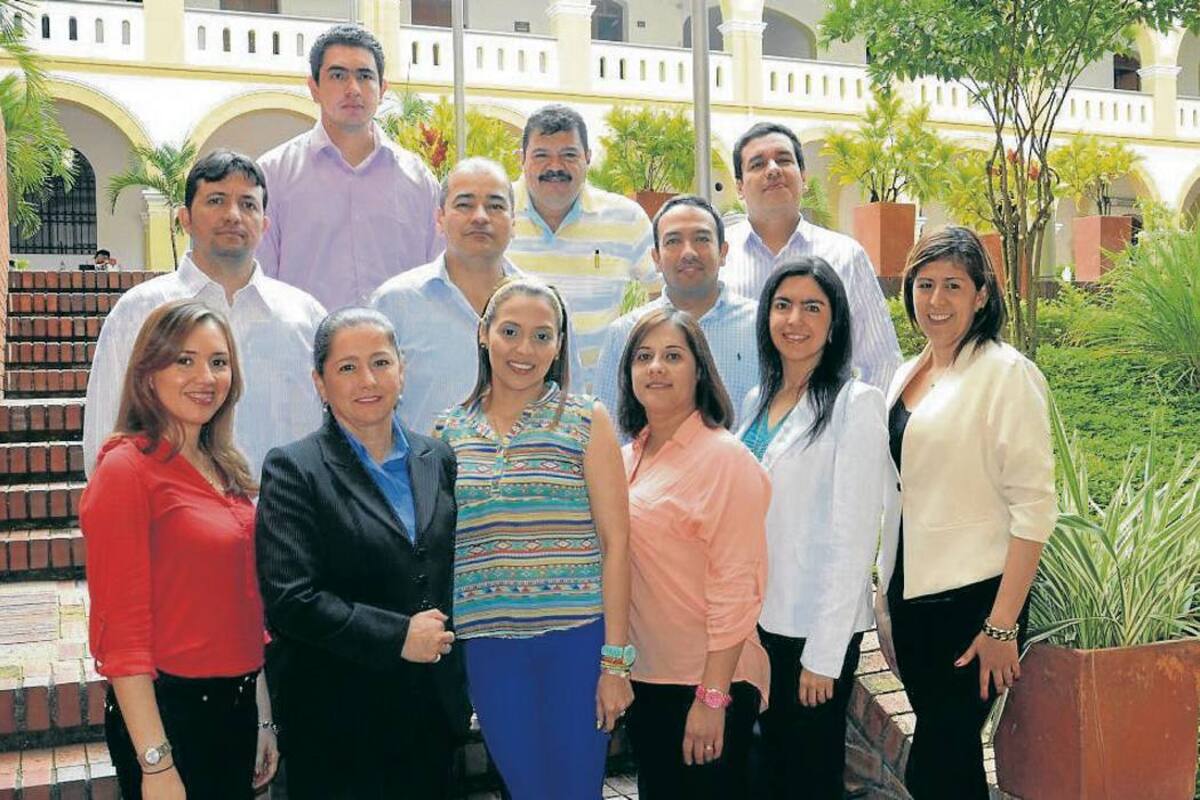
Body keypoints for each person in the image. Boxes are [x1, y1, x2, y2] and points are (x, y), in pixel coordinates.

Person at [255, 308, 471, 799]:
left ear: (402, 370)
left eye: (380, 362)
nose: (367, 380)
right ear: (320, 381)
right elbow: (290, 600)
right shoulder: (294, 469)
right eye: (347, 367)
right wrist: (398, 635)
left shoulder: (436, 458)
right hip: (337, 719)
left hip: (431, 714)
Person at [434, 278, 633, 799]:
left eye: (543, 336)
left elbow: (617, 546)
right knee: (526, 790)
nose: (525, 349)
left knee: (574, 790)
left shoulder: (586, 419)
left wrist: (615, 663)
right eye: (511, 331)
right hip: (491, 648)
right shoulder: (448, 433)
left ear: (559, 345)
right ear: (484, 334)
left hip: (576, 642)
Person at [875, 226, 1056, 799]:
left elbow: (1034, 509)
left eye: (953, 285)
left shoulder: (1006, 373)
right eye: (923, 285)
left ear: (982, 294)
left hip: (975, 603)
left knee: (937, 761)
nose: (936, 300)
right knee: (948, 761)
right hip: (912, 595)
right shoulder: (908, 372)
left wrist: (1002, 625)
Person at [80, 300, 278, 800]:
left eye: (218, 361)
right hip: (170, 718)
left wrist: (262, 719)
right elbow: (121, 633)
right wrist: (155, 762)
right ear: (148, 373)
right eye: (183, 360)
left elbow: (245, 608)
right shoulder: (127, 471)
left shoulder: (224, 470)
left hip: (234, 710)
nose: (205, 376)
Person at [737, 257, 895, 799]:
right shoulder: (757, 401)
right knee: (766, 772)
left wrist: (824, 657)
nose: (794, 319)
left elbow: (853, 538)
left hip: (810, 630)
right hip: (755, 621)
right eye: (782, 305)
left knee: (808, 777)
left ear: (835, 323)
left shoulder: (856, 403)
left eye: (812, 306)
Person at [84, 149, 326, 481]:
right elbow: (105, 434)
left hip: (292, 520)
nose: (233, 215)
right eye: (215, 200)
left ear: (265, 224)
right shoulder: (139, 311)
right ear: (185, 218)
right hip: (176, 522)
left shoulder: (305, 316)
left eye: (248, 204)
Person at [617, 307, 771, 799]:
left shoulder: (724, 459)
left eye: (672, 356)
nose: (656, 367)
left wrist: (711, 698)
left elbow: (737, 587)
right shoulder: (626, 458)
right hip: (648, 679)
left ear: (700, 370)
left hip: (707, 682)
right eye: (644, 357)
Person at [257, 25, 441, 310]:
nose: (353, 89)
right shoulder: (274, 175)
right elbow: (260, 278)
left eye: (365, 76)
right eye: (338, 75)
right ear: (314, 88)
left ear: (382, 89)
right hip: (307, 349)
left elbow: (437, 276)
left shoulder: (418, 180)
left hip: (399, 349)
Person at [723, 121, 901, 391]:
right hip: (732, 428)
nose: (772, 170)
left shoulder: (845, 256)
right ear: (739, 187)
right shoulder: (717, 258)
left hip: (825, 427)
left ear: (803, 177)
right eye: (757, 164)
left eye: (783, 160)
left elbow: (881, 361)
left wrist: (851, 424)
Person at [370, 158, 525, 434]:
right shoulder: (395, 304)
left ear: (514, 221)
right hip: (420, 476)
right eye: (464, 204)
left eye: (495, 206)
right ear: (439, 219)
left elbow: (565, 402)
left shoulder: (543, 306)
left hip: (528, 474)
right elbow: (367, 408)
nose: (480, 216)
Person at [507, 104, 656, 390]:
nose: (555, 167)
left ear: (588, 158)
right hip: (510, 404)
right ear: (521, 159)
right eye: (541, 155)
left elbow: (662, 292)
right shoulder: (495, 215)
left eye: (569, 155)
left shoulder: (625, 218)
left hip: (598, 405)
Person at [596, 195, 758, 430]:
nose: (688, 252)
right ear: (656, 258)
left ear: (723, 252)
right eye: (673, 241)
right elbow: (610, 431)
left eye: (702, 239)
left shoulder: (760, 326)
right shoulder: (624, 334)